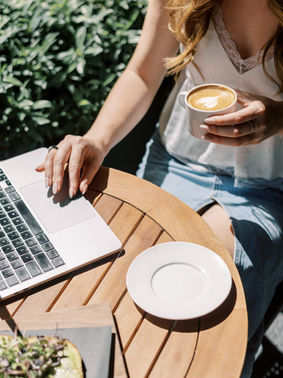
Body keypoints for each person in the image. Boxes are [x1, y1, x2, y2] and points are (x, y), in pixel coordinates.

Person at [37, 0, 283, 376]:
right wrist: (97, 140)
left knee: (216, 299)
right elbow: (143, 71)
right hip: (175, 160)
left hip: (267, 185)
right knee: (127, 279)